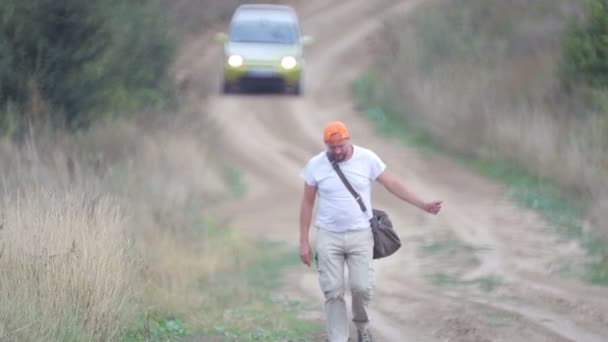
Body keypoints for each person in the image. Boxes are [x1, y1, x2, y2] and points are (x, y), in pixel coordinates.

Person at [299, 121, 442, 342]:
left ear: (349, 140)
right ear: (326, 145)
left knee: (361, 287)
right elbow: (307, 203)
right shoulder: (315, 165)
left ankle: (363, 328)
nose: (337, 151)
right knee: (333, 290)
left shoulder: (367, 159)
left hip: (360, 234)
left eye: (341, 146)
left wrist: (423, 204)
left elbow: (393, 184)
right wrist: (304, 242)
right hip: (329, 235)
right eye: (332, 147)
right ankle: (338, 338)